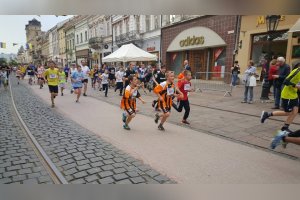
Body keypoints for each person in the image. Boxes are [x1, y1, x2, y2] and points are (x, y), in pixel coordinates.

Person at [261, 65, 300, 134]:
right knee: (288, 112)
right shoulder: (297, 71)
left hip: (294, 95)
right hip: (288, 95)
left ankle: (285, 127)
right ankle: (267, 114)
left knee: (295, 111)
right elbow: (286, 81)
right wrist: (296, 86)